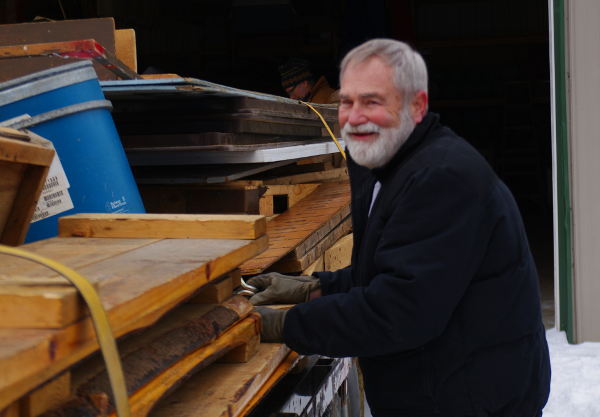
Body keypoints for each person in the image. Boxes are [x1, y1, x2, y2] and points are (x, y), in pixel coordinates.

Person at [250, 39, 551, 417]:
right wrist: (315, 288)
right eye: (347, 101)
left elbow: (400, 310)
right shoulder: (387, 167)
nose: (356, 116)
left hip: (472, 399)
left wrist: (287, 324)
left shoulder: (442, 178)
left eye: (373, 101)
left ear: (417, 106)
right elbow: (396, 268)